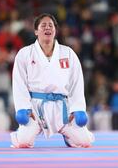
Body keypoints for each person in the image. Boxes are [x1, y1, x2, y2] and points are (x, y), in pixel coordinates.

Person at [10, 13, 94, 148]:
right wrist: (23, 108)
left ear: (55, 30)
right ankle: (22, 133)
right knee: (23, 142)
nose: (47, 28)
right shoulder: (25, 54)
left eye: (51, 25)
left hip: (63, 108)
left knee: (84, 141)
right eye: (43, 25)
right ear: (36, 31)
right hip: (36, 108)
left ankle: (69, 137)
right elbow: (19, 83)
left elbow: (76, 83)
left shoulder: (68, 53)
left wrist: (77, 108)